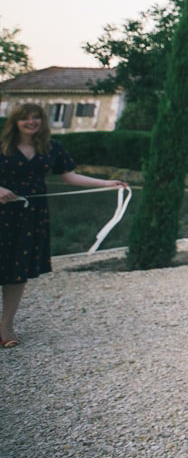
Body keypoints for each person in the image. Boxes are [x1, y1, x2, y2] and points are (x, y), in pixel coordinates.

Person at [0, 103, 128, 348]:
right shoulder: (2, 146)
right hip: (1, 213)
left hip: (30, 217)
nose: (31, 122)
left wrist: (106, 184)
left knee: (17, 273)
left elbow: (70, 176)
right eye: (25, 118)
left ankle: (6, 325)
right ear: (15, 122)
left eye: (36, 118)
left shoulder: (51, 148)